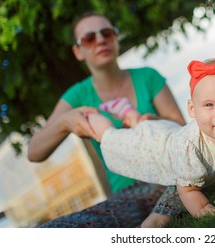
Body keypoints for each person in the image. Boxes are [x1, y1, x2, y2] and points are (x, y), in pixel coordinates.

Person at [87, 57, 215, 222]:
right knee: (111, 139)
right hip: (156, 148)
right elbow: (188, 189)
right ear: (192, 109)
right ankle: (92, 117)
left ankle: (131, 115)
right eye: (209, 105)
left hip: (170, 132)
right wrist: (203, 209)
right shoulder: (189, 147)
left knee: (143, 125)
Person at [27, 12, 186, 228]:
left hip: (170, 175)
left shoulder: (148, 77)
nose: (101, 40)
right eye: (89, 38)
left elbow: (183, 132)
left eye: (107, 33)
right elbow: (34, 151)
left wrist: (150, 121)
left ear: (116, 39)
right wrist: (65, 122)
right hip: (127, 195)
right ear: (78, 51)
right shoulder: (77, 95)